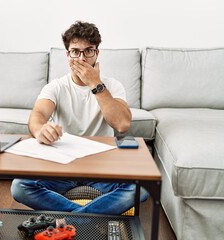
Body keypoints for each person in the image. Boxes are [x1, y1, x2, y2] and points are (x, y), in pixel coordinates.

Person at [10, 21, 148, 215]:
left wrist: (95, 83)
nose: (82, 58)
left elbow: (122, 125)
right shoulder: (56, 87)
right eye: (75, 51)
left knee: (141, 188)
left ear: (97, 53)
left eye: (88, 51)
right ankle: (86, 219)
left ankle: (74, 220)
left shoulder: (113, 86)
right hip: (62, 166)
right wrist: (40, 129)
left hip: (103, 167)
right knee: (20, 186)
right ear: (67, 55)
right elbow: (38, 116)